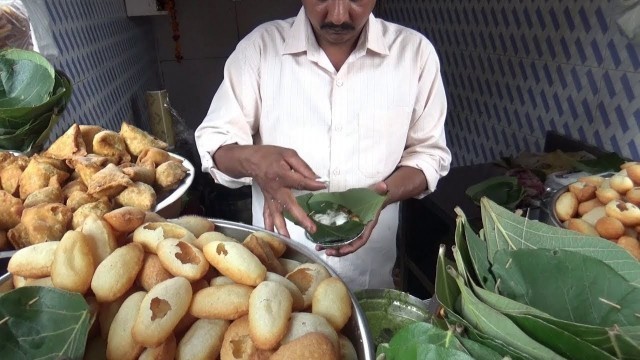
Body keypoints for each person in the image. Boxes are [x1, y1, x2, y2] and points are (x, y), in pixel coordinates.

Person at [195, 0, 451, 290]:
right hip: (278, 280)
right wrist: (253, 161)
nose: (339, 16)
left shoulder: (415, 55)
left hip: (369, 283)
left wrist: (380, 198)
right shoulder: (261, 49)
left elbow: (429, 155)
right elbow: (215, 142)